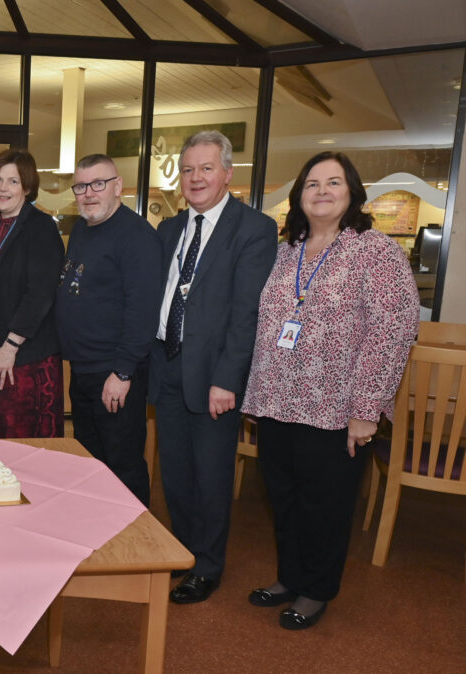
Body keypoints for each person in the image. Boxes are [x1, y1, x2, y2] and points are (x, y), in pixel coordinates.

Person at [242, 152, 417, 629]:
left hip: (336, 408)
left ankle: (316, 589)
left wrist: (367, 410)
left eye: (333, 182)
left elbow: (393, 330)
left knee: (325, 502)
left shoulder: (375, 250)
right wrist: (256, 391)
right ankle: (289, 577)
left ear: (352, 192)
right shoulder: (285, 251)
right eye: (312, 183)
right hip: (277, 399)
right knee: (283, 495)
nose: (321, 190)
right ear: (300, 195)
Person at [149, 130, 277, 605]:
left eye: (206, 168)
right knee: (176, 473)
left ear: (227, 173)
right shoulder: (170, 230)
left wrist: (227, 379)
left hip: (214, 379)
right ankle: (184, 554)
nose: (196, 177)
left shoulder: (254, 229)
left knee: (210, 476)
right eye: (188, 169)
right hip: (166, 367)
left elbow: (247, 315)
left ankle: (207, 566)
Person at [54, 154, 162, 506]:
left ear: (118, 187)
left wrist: (122, 371)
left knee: (122, 465)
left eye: (98, 184)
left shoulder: (137, 236)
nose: (89, 193)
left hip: (115, 373)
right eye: (82, 186)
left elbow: (142, 311)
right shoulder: (84, 228)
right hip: (84, 369)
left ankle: (137, 551)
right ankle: (100, 540)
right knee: (92, 461)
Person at [0, 149, 64, 439]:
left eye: (13, 181)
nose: (3, 188)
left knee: (15, 437)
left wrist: (10, 346)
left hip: (20, 355)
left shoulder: (41, 227)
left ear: (28, 187)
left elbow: (40, 294)